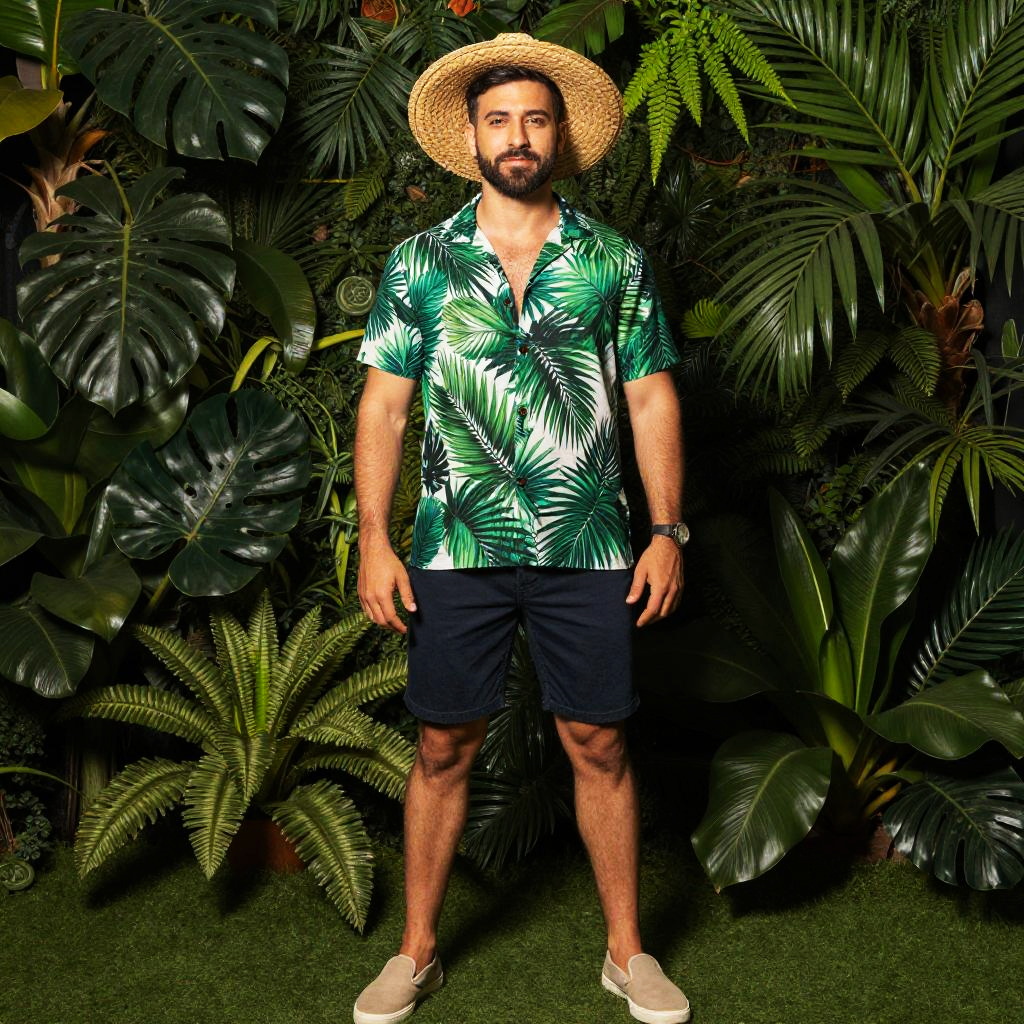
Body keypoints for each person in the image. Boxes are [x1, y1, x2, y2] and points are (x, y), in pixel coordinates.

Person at [351, 33, 690, 1024]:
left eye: (535, 119)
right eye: (499, 119)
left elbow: (653, 400)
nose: (518, 135)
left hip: (586, 545)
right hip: (456, 544)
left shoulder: (610, 261)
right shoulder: (420, 262)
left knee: (597, 741)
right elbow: (382, 407)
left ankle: (628, 952)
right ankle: (415, 952)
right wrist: (376, 537)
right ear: (470, 135)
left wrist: (666, 529)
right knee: (444, 744)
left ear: (559, 137)